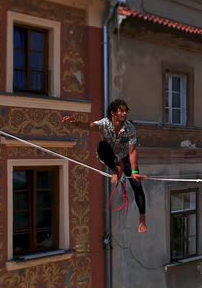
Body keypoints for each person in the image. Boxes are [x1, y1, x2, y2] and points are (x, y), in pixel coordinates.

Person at [62, 98, 148, 233]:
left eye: (126, 111)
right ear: (113, 113)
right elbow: (89, 126)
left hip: (125, 156)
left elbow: (132, 151)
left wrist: (134, 170)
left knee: (137, 184)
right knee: (101, 146)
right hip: (110, 156)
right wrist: (75, 122)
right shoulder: (104, 123)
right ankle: (115, 170)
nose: (125, 114)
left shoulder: (130, 128)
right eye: (121, 111)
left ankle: (142, 219)